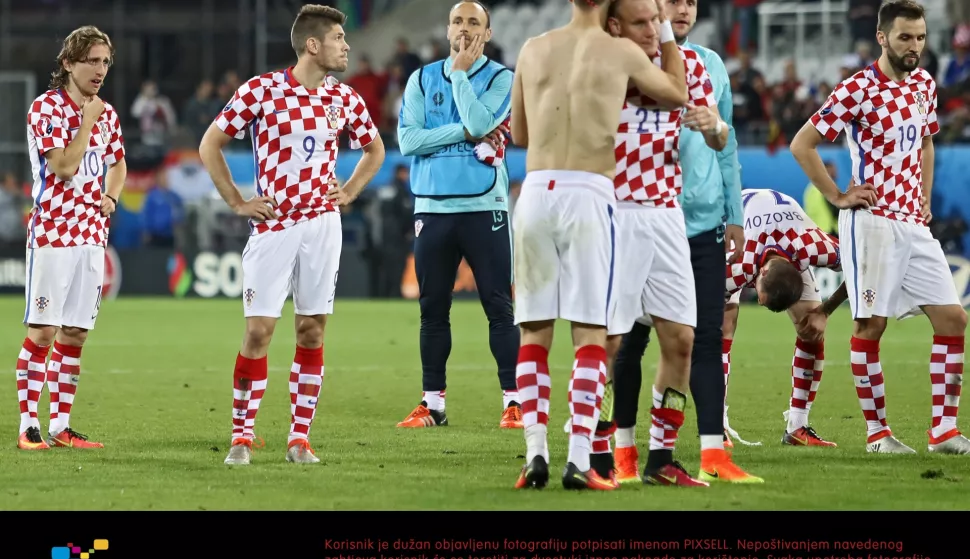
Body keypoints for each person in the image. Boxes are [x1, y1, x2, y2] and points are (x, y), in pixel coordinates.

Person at [509, 0, 688, 490]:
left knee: (533, 334)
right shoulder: (619, 53)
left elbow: (519, 132)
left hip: (535, 192)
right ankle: (581, 459)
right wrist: (666, 33)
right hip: (588, 192)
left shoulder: (532, 48)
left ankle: (535, 454)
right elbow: (676, 93)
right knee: (591, 335)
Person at [199, 4, 385, 466]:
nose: (346, 46)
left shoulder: (345, 98)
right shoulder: (261, 91)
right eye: (339, 38)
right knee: (259, 331)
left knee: (311, 330)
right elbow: (210, 144)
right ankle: (242, 436)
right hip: (274, 225)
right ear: (312, 45)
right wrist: (238, 202)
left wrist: (351, 190)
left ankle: (299, 438)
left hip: (323, 225)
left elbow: (375, 149)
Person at [583, 0, 759, 487]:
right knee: (617, 343)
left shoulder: (700, 67)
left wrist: (716, 132)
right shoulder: (604, 64)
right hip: (619, 216)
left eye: (678, 7)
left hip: (680, 222)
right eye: (653, 14)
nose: (669, 17)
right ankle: (603, 453)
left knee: (686, 339)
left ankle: (671, 458)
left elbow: (723, 140)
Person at [790, 0, 970, 454]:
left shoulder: (924, 84)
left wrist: (924, 196)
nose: (915, 46)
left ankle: (944, 431)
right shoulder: (857, 90)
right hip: (872, 224)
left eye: (922, 37)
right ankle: (877, 435)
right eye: (905, 37)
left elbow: (927, 142)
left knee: (953, 319)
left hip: (913, 222)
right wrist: (837, 195)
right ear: (882, 37)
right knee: (871, 326)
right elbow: (802, 143)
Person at [395, 1, 521, 430]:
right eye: (456, 21)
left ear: (487, 34)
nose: (463, 29)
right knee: (432, 310)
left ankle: (514, 402)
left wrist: (462, 75)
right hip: (431, 206)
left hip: (484, 206)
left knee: (499, 307)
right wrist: (463, 135)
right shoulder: (420, 78)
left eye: (473, 23)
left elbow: (482, 118)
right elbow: (409, 141)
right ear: (447, 29)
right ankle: (433, 405)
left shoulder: (503, 78)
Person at [17, 25, 126, 451]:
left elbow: (118, 163)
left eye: (105, 62)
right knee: (44, 331)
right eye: (92, 61)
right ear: (68, 63)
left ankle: (61, 426)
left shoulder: (107, 113)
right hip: (54, 233)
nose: (100, 70)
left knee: (75, 334)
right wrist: (86, 121)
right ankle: (29, 426)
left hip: (91, 236)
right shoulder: (47, 108)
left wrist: (112, 197)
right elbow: (63, 167)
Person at [718, 188, 843, 449]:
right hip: (732, 219)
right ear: (758, 275)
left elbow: (861, 266)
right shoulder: (738, 264)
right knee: (721, 327)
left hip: (788, 235)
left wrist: (826, 311)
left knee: (811, 328)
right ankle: (715, 425)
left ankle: (797, 427)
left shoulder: (815, 247)